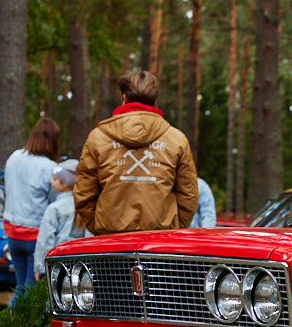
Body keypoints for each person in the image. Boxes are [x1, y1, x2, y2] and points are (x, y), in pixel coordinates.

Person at [72, 70, 198, 234]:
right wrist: (174, 228)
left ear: (124, 98)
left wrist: (99, 226)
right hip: (160, 243)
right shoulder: (176, 140)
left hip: (111, 242)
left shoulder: (98, 138)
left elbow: (84, 193)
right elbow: (189, 196)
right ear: (154, 100)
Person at [3, 117, 61, 302]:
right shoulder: (50, 168)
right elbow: (55, 202)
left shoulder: (14, 157)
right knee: (31, 290)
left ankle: (11, 325)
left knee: (21, 286)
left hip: (12, 233)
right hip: (35, 236)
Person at [33, 159, 85, 281]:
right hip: (80, 265)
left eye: (55, 179)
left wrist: (40, 267)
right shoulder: (85, 205)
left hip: (57, 265)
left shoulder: (54, 209)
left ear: (65, 184)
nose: (51, 182)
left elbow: (45, 240)